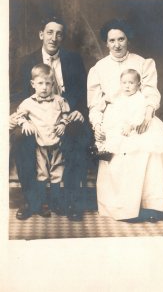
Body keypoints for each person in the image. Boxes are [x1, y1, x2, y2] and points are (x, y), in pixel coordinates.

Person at [87, 18, 163, 222]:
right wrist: (97, 125)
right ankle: (124, 208)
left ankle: (151, 206)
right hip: (114, 117)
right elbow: (95, 103)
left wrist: (148, 113)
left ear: (128, 40)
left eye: (121, 39)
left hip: (140, 113)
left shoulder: (142, 63)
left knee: (151, 148)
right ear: (106, 43)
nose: (117, 44)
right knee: (122, 153)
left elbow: (151, 92)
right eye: (112, 40)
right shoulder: (99, 68)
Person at [10, 15, 90, 221]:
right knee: (21, 137)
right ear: (41, 35)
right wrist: (22, 119)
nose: (54, 38)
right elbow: (17, 96)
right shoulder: (26, 61)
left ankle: (69, 200)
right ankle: (31, 200)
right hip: (35, 116)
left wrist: (79, 110)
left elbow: (83, 92)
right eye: (49, 32)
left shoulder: (73, 59)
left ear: (62, 38)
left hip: (64, 114)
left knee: (75, 133)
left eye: (59, 34)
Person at [16, 63, 71, 216]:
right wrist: (25, 122)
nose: (44, 87)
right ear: (33, 84)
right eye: (40, 83)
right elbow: (19, 115)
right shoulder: (28, 102)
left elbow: (66, 114)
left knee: (57, 172)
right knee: (42, 173)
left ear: (53, 83)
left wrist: (63, 124)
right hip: (40, 145)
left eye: (48, 83)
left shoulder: (59, 100)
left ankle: (56, 202)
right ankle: (40, 204)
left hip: (56, 143)